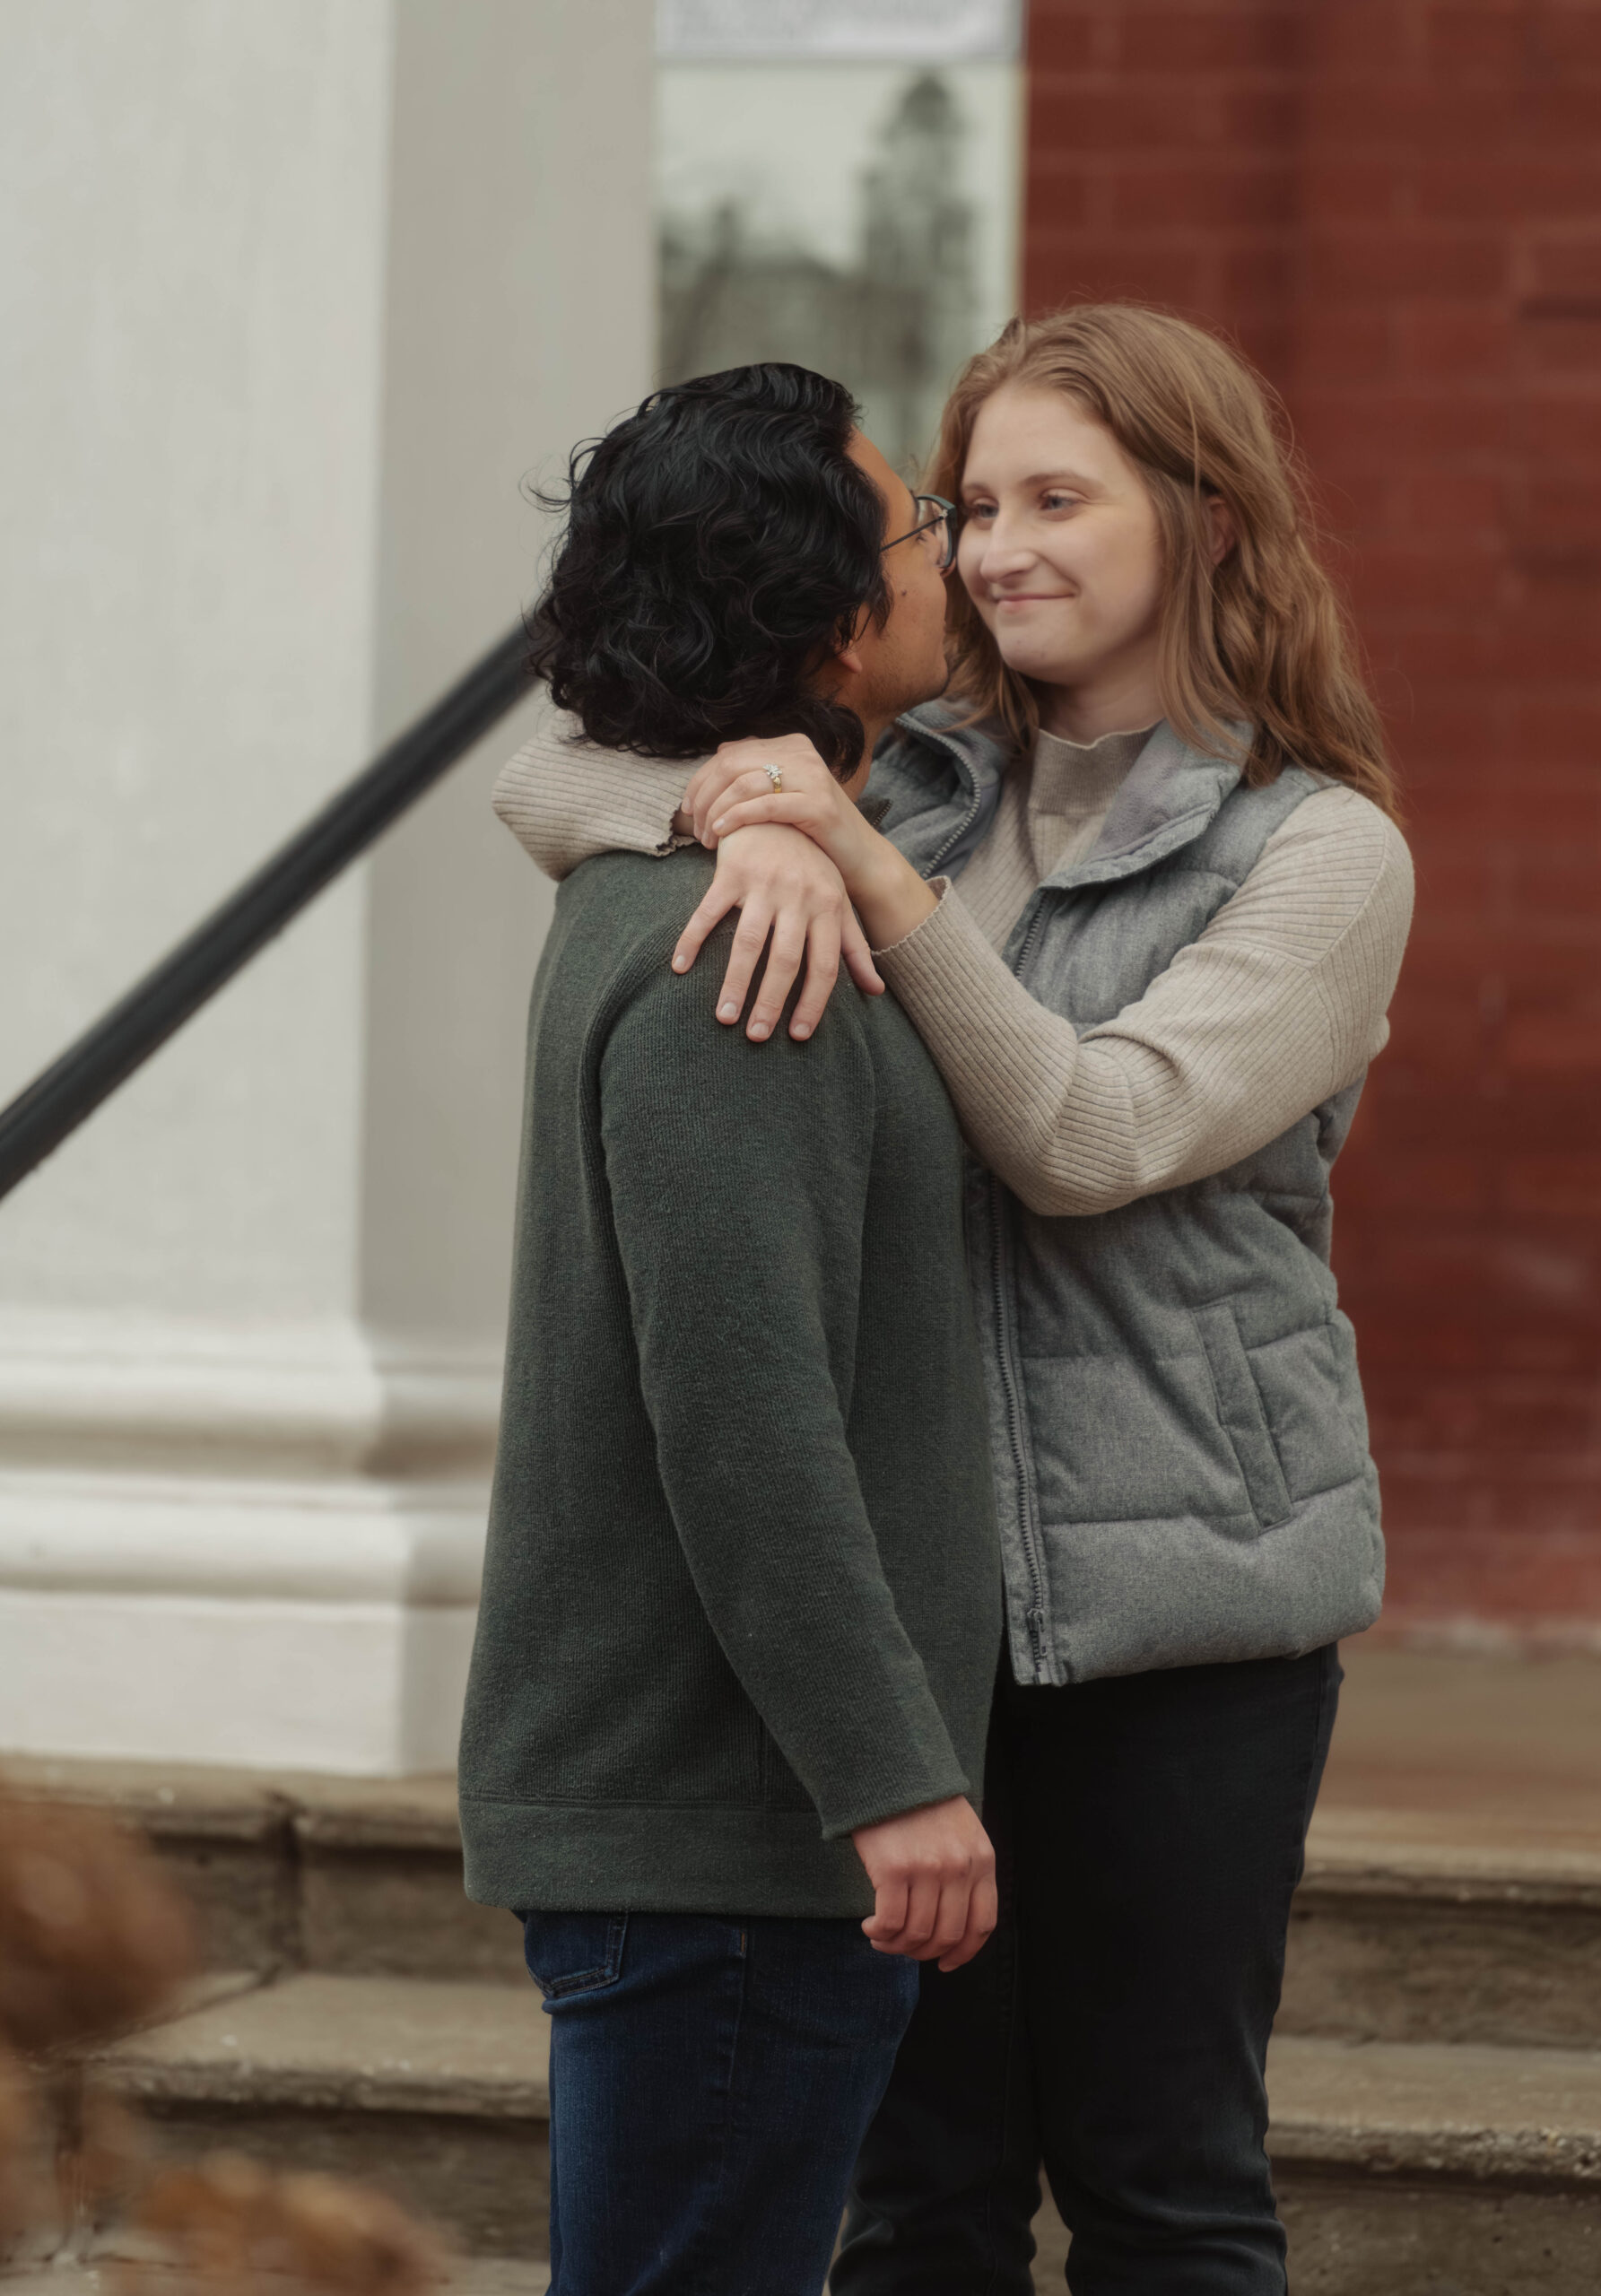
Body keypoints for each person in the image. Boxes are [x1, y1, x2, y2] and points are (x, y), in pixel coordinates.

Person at [492, 305, 1415, 2292]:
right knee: (915, 2206)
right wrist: (735, 817)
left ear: (1204, 514)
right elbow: (553, 782)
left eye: (1055, 497)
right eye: (971, 501)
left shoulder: (1318, 853)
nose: (995, 546)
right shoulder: (902, 771)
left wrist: (853, 871)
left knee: (1166, 2189)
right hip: (919, 1631)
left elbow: (1089, 1136)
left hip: (1180, 1614)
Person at [457, 362, 1005, 2296]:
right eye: (917, 530)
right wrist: (893, 1770)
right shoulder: (730, 961)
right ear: (833, 620)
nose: (952, 558)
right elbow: (746, 1414)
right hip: (724, 1842)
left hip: (714, 1839)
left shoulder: (681, 888)